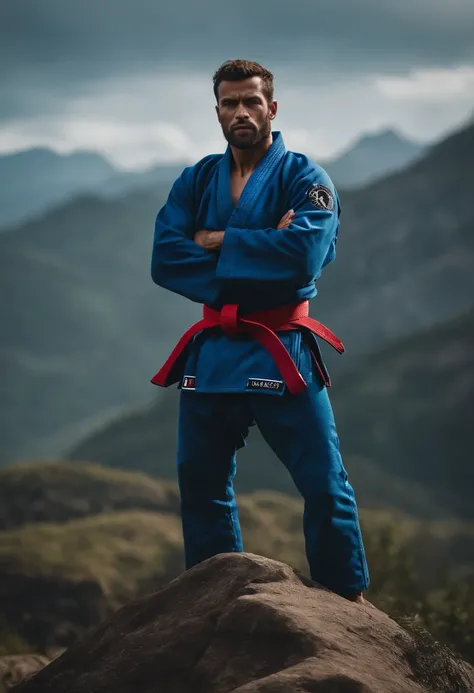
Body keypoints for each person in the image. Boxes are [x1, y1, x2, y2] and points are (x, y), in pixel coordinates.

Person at [150, 59, 370, 604]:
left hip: (282, 349)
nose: (241, 112)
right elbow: (165, 259)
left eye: (252, 101)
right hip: (216, 350)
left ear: (272, 108)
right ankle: (212, 597)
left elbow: (301, 260)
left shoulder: (306, 179)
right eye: (230, 103)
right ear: (218, 111)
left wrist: (217, 239)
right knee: (201, 486)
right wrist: (256, 244)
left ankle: (345, 600)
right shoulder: (197, 177)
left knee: (324, 483)